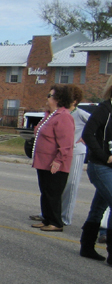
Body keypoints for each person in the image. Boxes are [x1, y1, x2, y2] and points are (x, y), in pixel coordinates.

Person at [30, 85, 75, 233]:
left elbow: (66, 143)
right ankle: (47, 220)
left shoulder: (64, 117)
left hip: (55, 164)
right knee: (46, 192)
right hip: (43, 163)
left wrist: (58, 160)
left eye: (49, 95)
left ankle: (56, 222)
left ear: (58, 99)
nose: (47, 98)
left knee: (53, 193)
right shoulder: (51, 115)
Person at [79, 77, 112, 262]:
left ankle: (87, 246)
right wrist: (104, 155)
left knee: (99, 207)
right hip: (100, 166)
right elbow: (88, 133)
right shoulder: (104, 109)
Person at [61, 86, 90, 226]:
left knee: (71, 184)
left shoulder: (81, 114)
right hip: (61, 152)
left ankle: (65, 217)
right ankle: (50, 213)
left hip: (76, 152)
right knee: (58, 184)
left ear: (75, 100)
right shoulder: (61, 113)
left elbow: (98, 126)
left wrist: (86, 137)